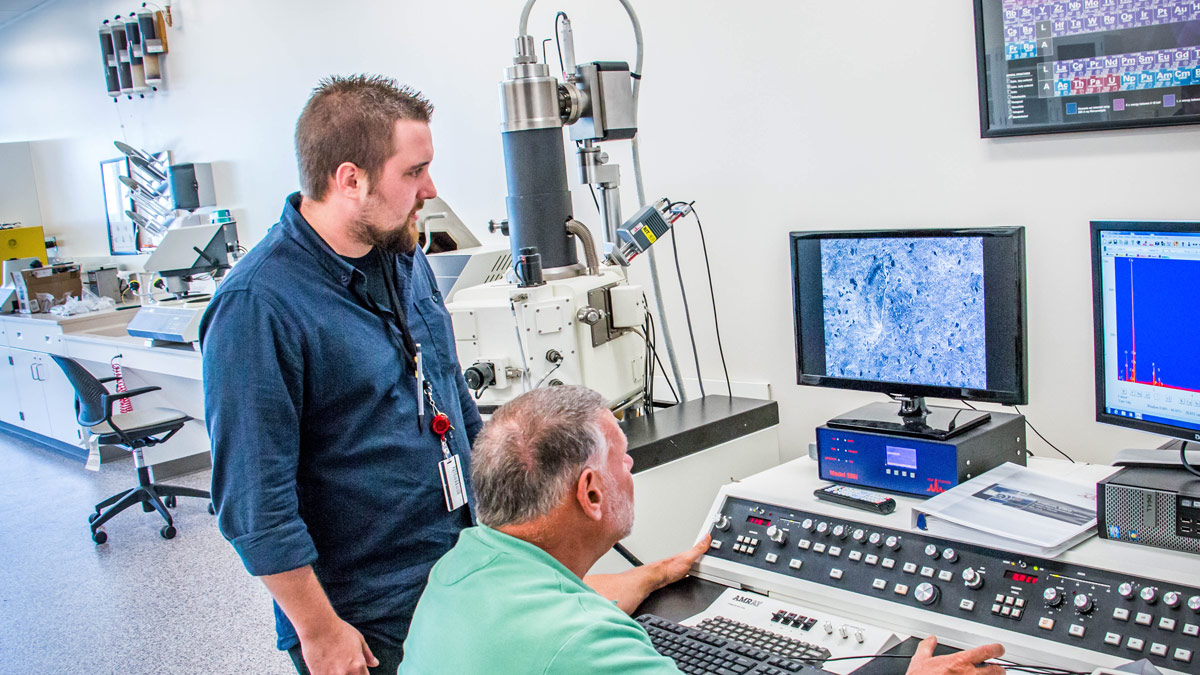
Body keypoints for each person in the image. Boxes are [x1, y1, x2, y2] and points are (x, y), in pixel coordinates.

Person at [400, 386, 1008, 675]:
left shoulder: (458, 572)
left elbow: (545, 608)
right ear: (590, 492)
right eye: (622, 459)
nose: (631, 468)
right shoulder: (586, 649)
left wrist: (651, 574)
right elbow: (570, 636)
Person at [200, 75, 480, 675]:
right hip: (364, 614)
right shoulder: (258, 307)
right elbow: (253, 502)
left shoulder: (405, 258)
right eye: (413, 172)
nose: (430, 188)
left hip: (457, 568)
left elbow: (454, 398)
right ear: (350, 179)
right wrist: (320, 631)